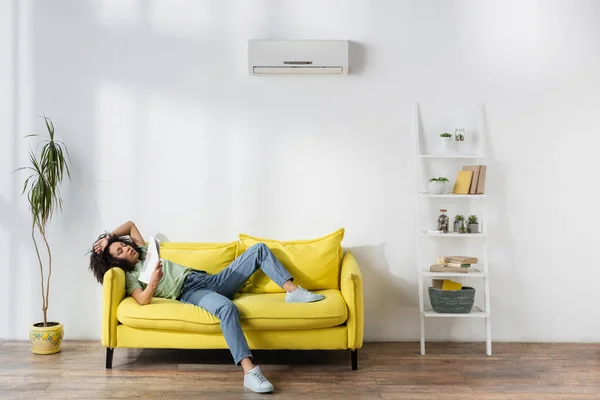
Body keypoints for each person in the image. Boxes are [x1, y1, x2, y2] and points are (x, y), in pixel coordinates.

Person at [89, 221, 325, 394]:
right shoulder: (130, 275)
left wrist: (108, 238)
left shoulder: (143, 251)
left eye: (122, 245)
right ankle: (249, 371)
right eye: (119, 251)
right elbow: (142, 300)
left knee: (259, 249)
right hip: (190, 292)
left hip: (209, 280)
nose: (125, 248)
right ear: (116, 261)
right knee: (227, 308)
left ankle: (293, 292)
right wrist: (153, 282)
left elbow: (130, 226)